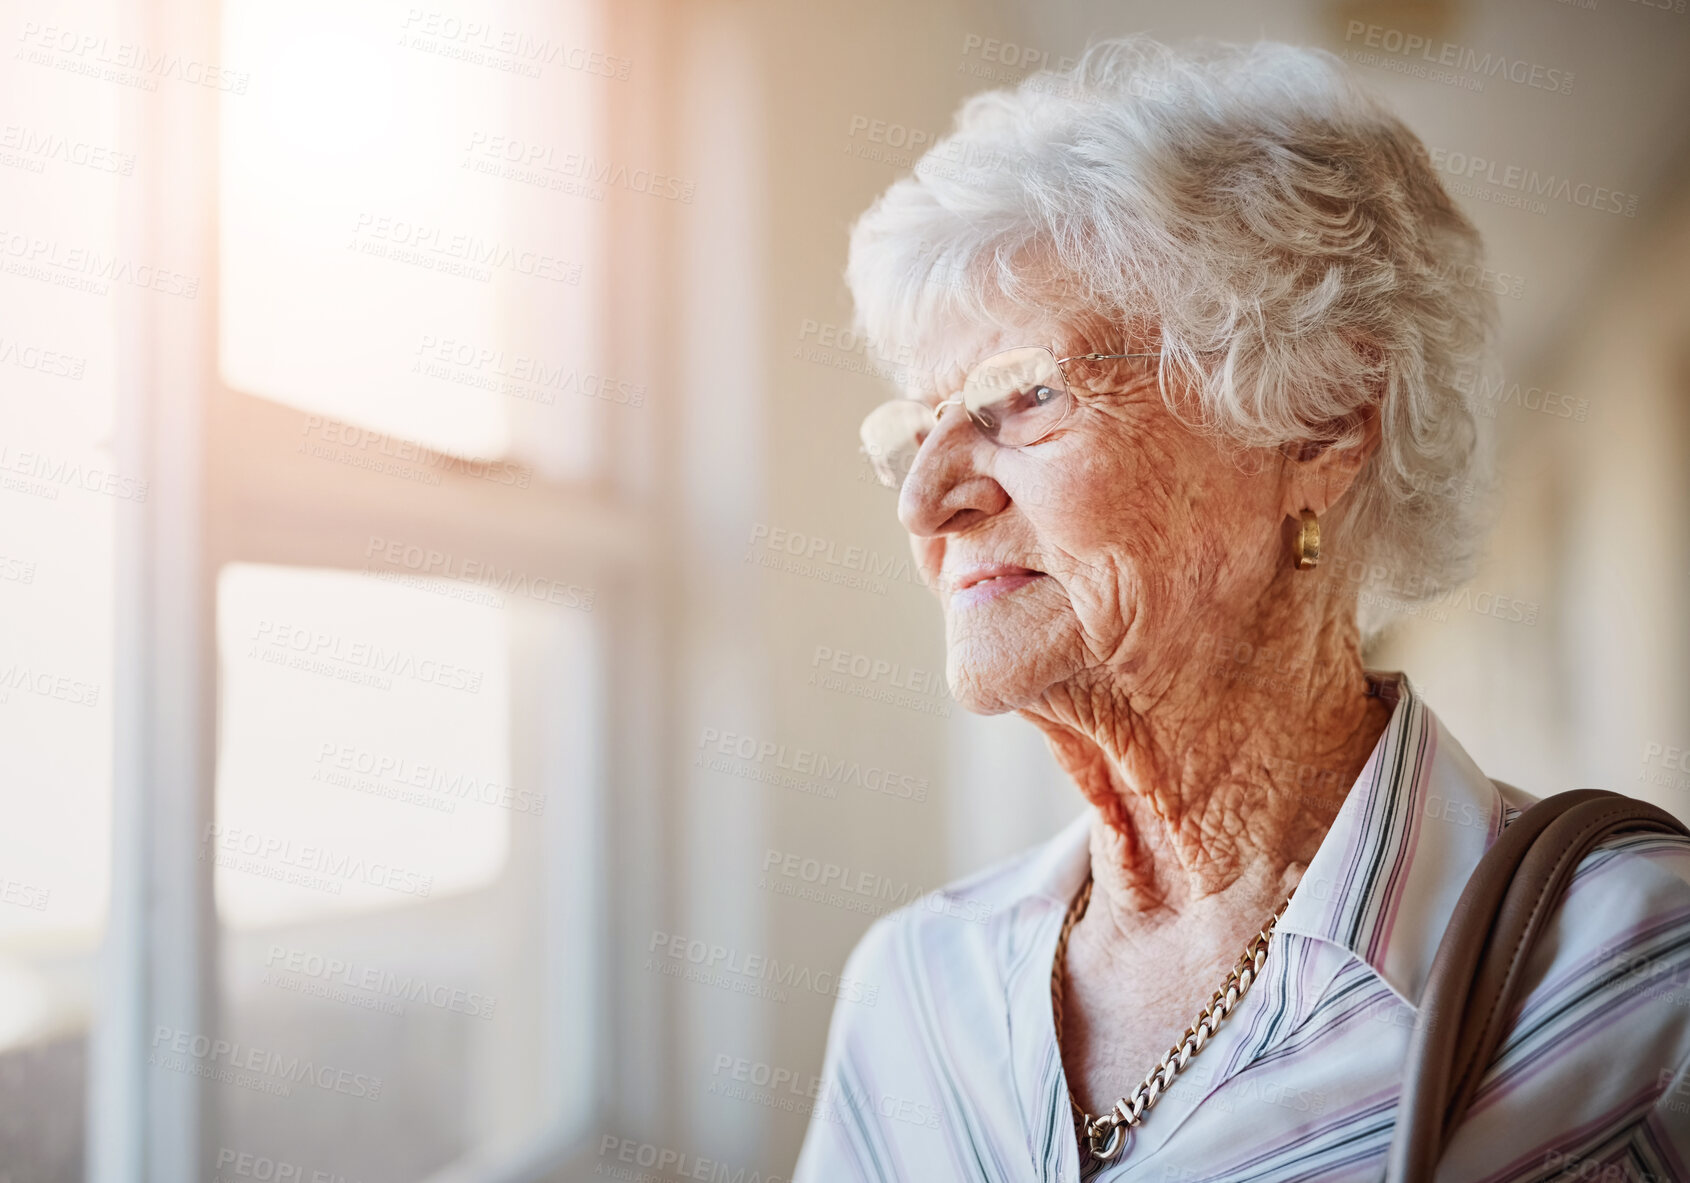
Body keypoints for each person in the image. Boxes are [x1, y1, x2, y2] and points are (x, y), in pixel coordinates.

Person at [794, 36, 1690, 1181]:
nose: (926, 500)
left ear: (1320, 425)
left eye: (1021, 396)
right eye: (916, 429)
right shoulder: (912, 988)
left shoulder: (1635, 977)